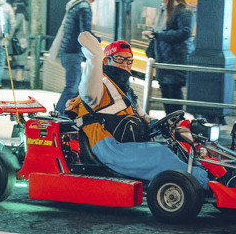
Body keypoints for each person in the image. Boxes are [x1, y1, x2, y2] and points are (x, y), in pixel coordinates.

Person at [71, 33, 207, 187]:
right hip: (108, 147)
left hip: (128, 143)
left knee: (175, 148)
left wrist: (159, 122)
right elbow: (88, 91)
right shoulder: (99, 86)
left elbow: (142, 116)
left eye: (129, 60)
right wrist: (94, 58)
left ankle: (214, 174)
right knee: (158, 153)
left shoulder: (127, 92)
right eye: (119, 59)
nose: (125, 64)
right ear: (106, 61)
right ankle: (202, 182)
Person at [144, 0, 194, 111]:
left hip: (175, 59)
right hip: (164, 58)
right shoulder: (165, 10)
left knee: (173, 94)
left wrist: (158, 35)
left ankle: (176, 125)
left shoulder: (183, 12)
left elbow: (184, 33)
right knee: (166, 93)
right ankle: (169, 125)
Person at [53, 0, 99, 114]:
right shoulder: (84, 7)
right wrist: (97, 41)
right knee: (72, 87)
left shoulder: (75, 5)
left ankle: (69, 114)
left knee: (76, 86)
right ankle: (59, 114)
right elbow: (85, 32)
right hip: (73, 52)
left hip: (67, 50)